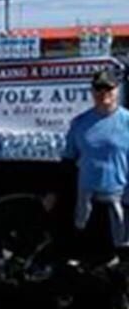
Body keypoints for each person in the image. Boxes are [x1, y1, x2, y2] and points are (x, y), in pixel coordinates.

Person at [63, 69, 129, 253]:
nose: (103, 93)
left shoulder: (126, 121)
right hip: (88, 200)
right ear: (92, 92)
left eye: (109, 88)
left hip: (120, 198)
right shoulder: (80, 123)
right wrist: (53, 192)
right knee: (89, 252)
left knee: (122, 252)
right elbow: (68, 160)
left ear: (117, 90)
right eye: (99, 89)